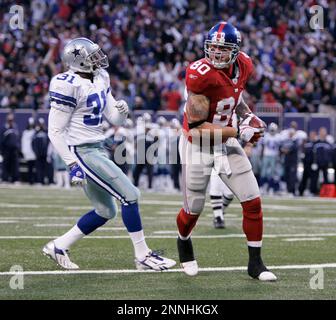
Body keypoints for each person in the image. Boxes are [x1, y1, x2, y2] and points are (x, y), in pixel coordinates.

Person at [43, 37, 176, 271]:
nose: (98, 58)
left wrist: (122, 112)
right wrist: (72, 164)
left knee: (106, 210)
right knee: (131, 195)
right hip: (82, 151)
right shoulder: (67, 84)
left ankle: (59, 246)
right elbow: (54, 131)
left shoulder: (101, 77)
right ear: (78, 62)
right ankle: (143, 256)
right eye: (91, 56)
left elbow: (113, 118)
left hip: (97, 146)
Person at [175, 22, 276, 281]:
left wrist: (247, 117)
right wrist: (238, 132)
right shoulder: (199, 74)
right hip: (196, 144)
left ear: (235, 51)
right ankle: (184, 243)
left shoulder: (244, 64)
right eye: (213, 48)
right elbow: (196, 127)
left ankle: (256, 263)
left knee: (252, 200)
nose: (217, 54)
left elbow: (235, 97)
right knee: (193, 209)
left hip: (225, 142)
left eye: (223, 49)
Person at [0, 113, 20, 183]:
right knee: (5, 164)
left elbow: (17, 138)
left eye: (12, 120)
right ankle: (5, 178)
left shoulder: (15, 127)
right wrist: (1, 150)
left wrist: (18, 147)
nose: (11, 121)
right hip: (6, 150)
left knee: (15, 165)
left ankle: (15, 179)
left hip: (14, 150)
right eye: (9, 120)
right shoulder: (4, 128)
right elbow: (1, 140)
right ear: (7, 120)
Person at [21, 117, 36, 184]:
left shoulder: (35, 132)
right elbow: (23, 142)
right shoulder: (25, 132)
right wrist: (23, 151)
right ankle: (30, 180)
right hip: (28, 151)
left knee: (34, 167)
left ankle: (35, 180)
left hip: (34, 152)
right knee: (29, 167)